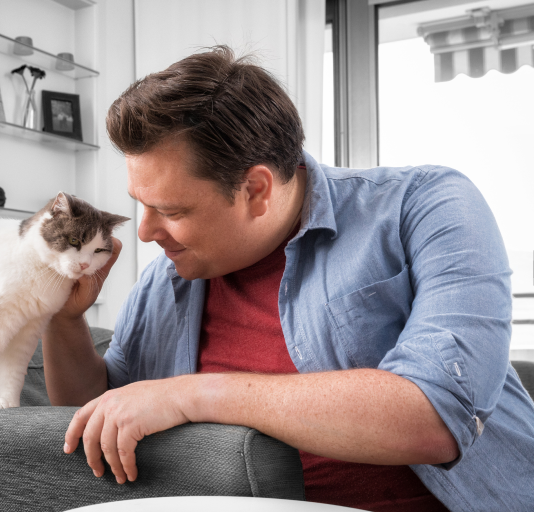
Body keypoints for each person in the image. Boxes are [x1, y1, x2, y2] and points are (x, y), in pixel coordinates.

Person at [40, 45, 534, 511]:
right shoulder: (163, 281)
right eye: (141, 205)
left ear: (256, 190)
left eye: (171, 210)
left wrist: (192, 395)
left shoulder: (426, 205)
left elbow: (435, 415)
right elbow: (97, 420)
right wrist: (62, 319)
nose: (145, 232)